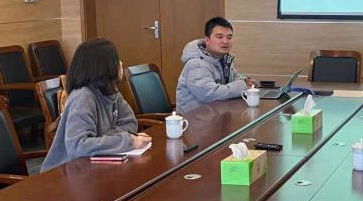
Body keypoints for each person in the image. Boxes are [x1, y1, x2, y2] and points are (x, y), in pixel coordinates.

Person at [41, 39, 151, 172]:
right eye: (116, 59)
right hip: (65, 172)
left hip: (94, 166)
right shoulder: (82, 97)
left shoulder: (111, 92)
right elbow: (78, 146)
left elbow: (130, 124)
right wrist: (128, 141)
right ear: (103, 66)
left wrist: (100, 140)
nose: (121, 63)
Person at [176, 17, 255, 113]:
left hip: (216, 114)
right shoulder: (196, 64)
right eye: (219, 37)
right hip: (194, 119)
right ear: (207, 40)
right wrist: (243, 86)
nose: (225, 41)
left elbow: (234, 78)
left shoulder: (223, 59)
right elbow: (209, 94)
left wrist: (246, 81)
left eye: (229, 37)